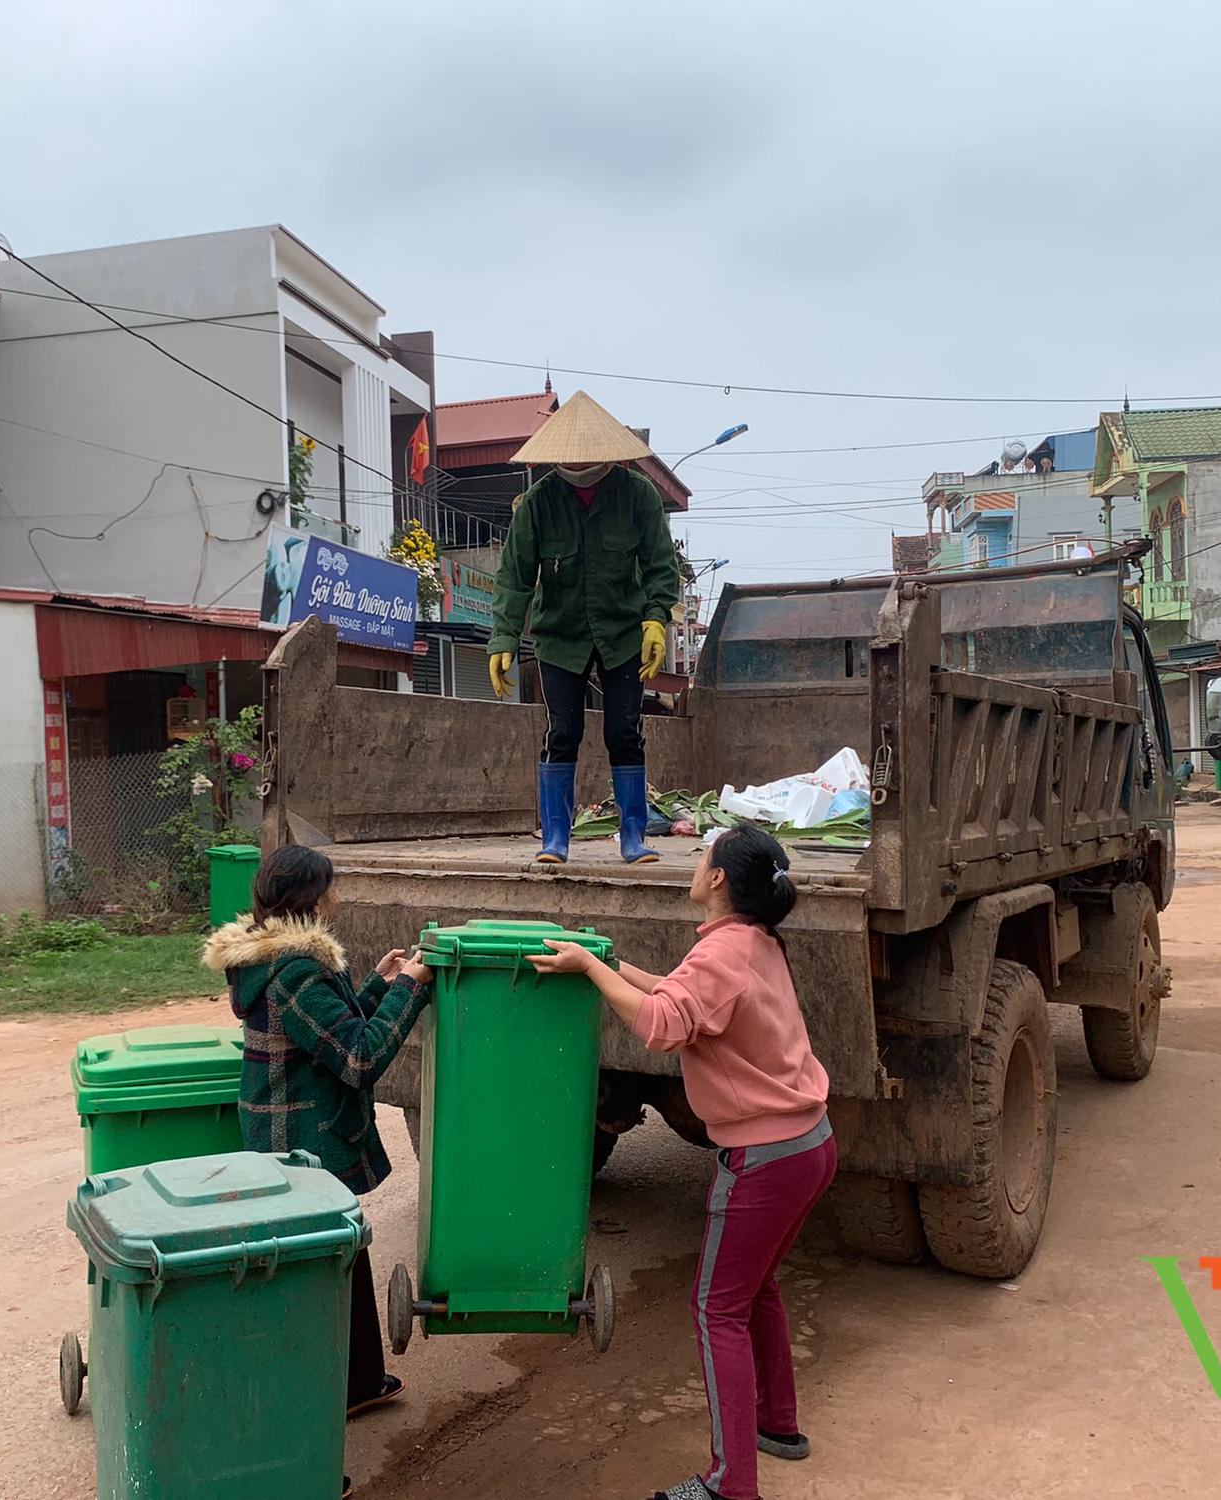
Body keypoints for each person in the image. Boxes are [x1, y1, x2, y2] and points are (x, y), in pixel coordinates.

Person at [529, 826, 834, 1500]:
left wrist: (589, 970)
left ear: (719, 878)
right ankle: (778, 1426)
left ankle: (730, 1485)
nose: (696, 867)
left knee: (716, 1310)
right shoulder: (754, 943)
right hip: (810, 1144)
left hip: (765, 1158)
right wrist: (609, 961)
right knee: (756, 1291)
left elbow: (661, 1025)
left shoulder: (721, 955)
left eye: (702, 858)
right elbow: (680, 998)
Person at [202, 845, 433, 1431]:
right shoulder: (295, 970)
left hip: (288, 1128)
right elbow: (358, 1055)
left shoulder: (275, 962)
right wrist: (411, 986)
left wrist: (380, 986)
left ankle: (357, 1382)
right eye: (331, 888)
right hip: (300, 1135)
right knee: (323, 1259)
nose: (338, 897)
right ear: (311, 899)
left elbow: (331, 1030)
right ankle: (314, 1396)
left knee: (341, 1249)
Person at [486, 391, 681, 866]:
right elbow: (514, 577)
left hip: (623, 636)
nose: (579, 463)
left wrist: (656, 620)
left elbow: (661, 567)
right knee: (562, 730)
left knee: (624, 731)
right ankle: (556, 839)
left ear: (608, 452)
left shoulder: (638, 497)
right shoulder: (536, 504)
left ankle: (633, 836)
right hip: (561, 637)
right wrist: (504, 638)